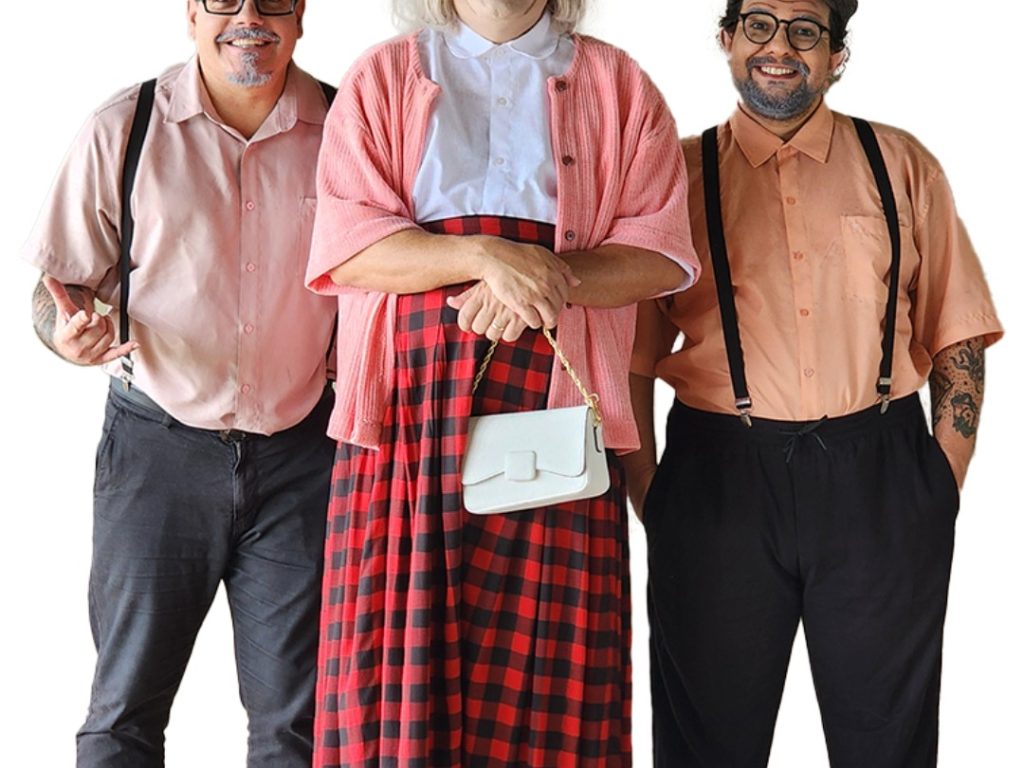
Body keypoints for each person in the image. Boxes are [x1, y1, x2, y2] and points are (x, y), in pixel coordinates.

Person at [304, 0, 699, 764]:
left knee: (549, 677)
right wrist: (485, 257)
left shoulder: (618, 83)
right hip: (406, 418)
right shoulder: (383, 76)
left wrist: (539, 279)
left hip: (558, 408)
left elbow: (660, 253)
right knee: (394, 669)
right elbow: (348, 248)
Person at [625, 0, 1004, 766]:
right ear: (727, 40)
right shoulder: (674, 178)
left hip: (882, 472)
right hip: (716, 479)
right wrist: (652, 496)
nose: (781, 46)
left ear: (837, 55)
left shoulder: (901, 164)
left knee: (886, 745)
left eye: (806, 30)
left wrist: (938, 481)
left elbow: (956, 326)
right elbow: (631, 358)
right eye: (759, 24)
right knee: (707, 745)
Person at [23, 1, 338, 765]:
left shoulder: (348, 129)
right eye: (223, 0)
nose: (248, 17)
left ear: (300, 15)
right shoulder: (124, 128)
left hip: (303, 458)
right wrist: (66, 334)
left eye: (272, 0)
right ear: (192, 13)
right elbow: (57, 286)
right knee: (124, 712)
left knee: (297, 725)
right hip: (156, 454)